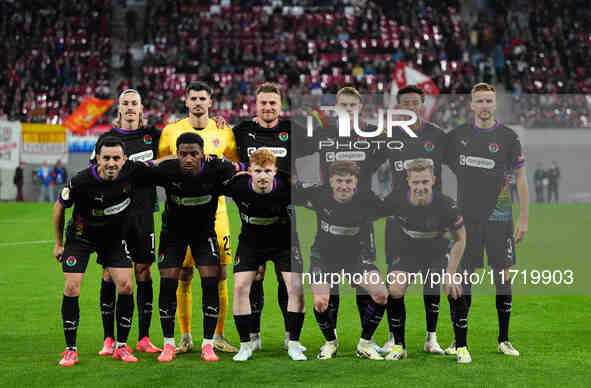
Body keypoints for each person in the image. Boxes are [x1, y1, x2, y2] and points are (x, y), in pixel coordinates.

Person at [53, 137, 159, 366]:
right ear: (98, 159)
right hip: (81, 237)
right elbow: (59, 207)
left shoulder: (132, 171)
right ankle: (70, 349)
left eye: (116, 158)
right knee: (72, 286)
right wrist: (58, 243)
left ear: (124, 159)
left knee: (126, 285)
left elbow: (161, 165)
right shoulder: (81, 181)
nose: (111, 163)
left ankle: (121, 346)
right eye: (106, 158)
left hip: (112, 238)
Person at [299, 86, 388, 355]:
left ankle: (366, 341)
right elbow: (295, 148)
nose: (348, 109)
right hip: (329, 211)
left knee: (366, 287)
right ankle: (330, 340)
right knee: (327, 290)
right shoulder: (324, 132)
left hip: (361, 218)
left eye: (352, 104)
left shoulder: (373, 134)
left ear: (359, 107)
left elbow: (398, 157)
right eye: (343, 105)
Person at [444, 82, 528, 356]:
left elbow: (520, 178)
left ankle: (504, 339)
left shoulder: (508, 137)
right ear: (471, 105)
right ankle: (459, 341)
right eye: (479, 101)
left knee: (502, 277)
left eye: (488, 101)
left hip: (500, 218)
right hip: (467, 221)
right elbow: (433, 158)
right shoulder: (457, 136)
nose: (484, 106)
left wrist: (523, 219)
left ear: (495, 104)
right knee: (464, 276)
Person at [158, 81, 239, 354]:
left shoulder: (224, 130)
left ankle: (217, 335)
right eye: (193, 98)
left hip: (216, 214)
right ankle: (184, 336)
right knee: (183, 274)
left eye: (202, 98)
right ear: (186, 101)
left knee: (219, 274)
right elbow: (161, 166)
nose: (197, 102)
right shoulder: (171, 131)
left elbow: (234, 165)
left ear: (210, 101)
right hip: (180, 216)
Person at [142, 132, 238, 362]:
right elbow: (138, 172)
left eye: (194, 154)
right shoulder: (168, 170)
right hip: (172, 235)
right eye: (183, 154)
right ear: (177, 154)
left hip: (203, 234)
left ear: (202, 154)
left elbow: (239, 171)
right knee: (168, 285)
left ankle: (207, 345)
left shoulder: (217, 169)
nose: (188, 159)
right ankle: (168, 344)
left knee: (210, 283)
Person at [231, 82, 304, 352]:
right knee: (254, 279)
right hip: (253, 220)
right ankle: (253, 335)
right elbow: (225, 154)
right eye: (264, 103)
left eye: (273, 103)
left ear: (280, 105)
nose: (268, 107)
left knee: (287, 281)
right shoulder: (242, 131)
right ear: (256, 105)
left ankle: (290, 336)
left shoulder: (292, 131)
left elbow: (308, 163)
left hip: (285, 219)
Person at [293, 161, 391, 360]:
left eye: (348, 181)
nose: (343, 186)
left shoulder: (367, 198)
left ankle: (365, 344)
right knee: (321, 301)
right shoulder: (319, 194)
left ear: (356, 182)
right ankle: (330, 343)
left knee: (381, 294)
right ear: (330, 181)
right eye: (339, 181)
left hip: (355, 257)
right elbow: (290, 189)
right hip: (323, 256)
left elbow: (393, 208)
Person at [91, 89, 162, 356]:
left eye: (134, 103)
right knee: (109, 273)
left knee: (144, 271)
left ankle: (143, 337)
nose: (130, 107)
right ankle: (109, 338)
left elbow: (178, 148)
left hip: (143, 215)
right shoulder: (106, 139)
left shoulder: (153, 136)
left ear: (141, 108)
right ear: (119, 108)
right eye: (125, 103)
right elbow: (94, 174)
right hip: (113, 217)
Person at [380, 85, 450, 355]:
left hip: (434, 222)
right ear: (399, 107)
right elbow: (365, 165)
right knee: (395, 284)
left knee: (432, 282)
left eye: (415, 102)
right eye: (405, 103)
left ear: (423, 105)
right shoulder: (390, 136)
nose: (411, 106)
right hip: (398, 221)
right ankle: (393, 337)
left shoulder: (438, 136)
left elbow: (461, 166)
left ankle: (431, 338)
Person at [383, 159, 471, 363]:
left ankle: (462, 347)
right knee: (394, 288)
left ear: (433, 180)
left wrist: (451, 274)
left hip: (437, 251)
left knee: (454, 288)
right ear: (408, 181)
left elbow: (461, 239)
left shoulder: (446, 204)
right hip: (408, 252)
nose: (420, 187)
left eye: (424, 181)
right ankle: (399, 345)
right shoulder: (396, 200)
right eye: (415, 182)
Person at [224, 149, 306, 361]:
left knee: (295, 286)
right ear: (249, 171)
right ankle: (245, 345)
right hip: (251, 242)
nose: (262, 176)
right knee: (241, 286)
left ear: (274, 171)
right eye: (258, 171)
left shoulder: (288, 187)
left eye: (267, 171)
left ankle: (294, 343)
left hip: (284, 241)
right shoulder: (237, 186)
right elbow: (214, 180)